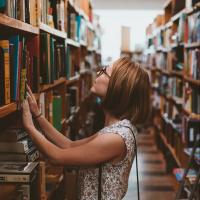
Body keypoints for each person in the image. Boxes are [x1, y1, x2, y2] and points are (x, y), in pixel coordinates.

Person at [22, 57, 151, 200]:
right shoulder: (116, 129)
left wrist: (29, 127)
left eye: (104, 71)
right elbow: (68, 145)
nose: (97, 73)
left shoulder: (116, 137)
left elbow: (57, 157)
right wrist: (38, 115)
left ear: (117, 87)